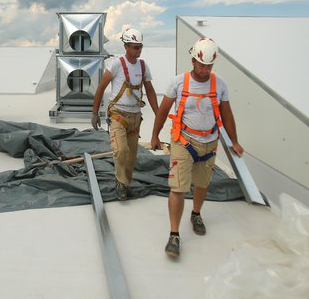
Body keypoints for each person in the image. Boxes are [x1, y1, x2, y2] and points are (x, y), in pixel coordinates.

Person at [150, 37, 244, 258]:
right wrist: (154, 135)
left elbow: (227, 114)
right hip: (184, 141)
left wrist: (235, 141)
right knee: (178, 188)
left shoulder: (220, 84)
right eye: (201, 65)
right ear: (193, 60)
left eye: (209, 66)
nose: (204, 70)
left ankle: (196, 213)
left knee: (202, 185)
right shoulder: (178, 82)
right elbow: (163, 111)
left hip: (209, 142)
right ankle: (174, 235)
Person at [92, 28, 159, 201]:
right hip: (118, 115)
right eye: (135, 47)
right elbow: (101, 88)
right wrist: (94, 113)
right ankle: (120, 184)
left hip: (135, 117)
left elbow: (150, 91)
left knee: (131, 156)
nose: (138, 50)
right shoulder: (116, 64)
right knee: (121, 150)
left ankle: (126, 184)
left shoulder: (143, 66)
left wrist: (159, 114)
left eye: (140, 47)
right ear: (126, 46)